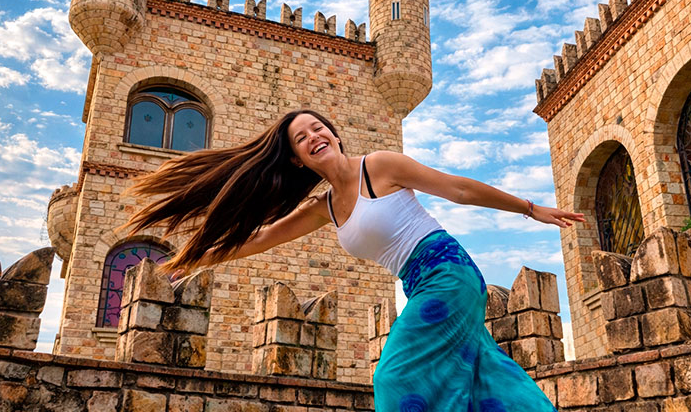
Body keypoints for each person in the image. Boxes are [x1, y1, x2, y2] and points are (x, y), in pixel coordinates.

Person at [126, 109, 584, 411]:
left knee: (393, 376)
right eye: (301, 138)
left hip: (448, 272)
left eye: (317, 128)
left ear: (334, 133)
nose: (313, 137)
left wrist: (529, 208)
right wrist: (197, 258)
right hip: (421, 283)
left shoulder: (379, 166)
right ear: (298, 159)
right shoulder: (323, 208)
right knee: (484, 375)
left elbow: (458, 189)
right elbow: (262, 239)